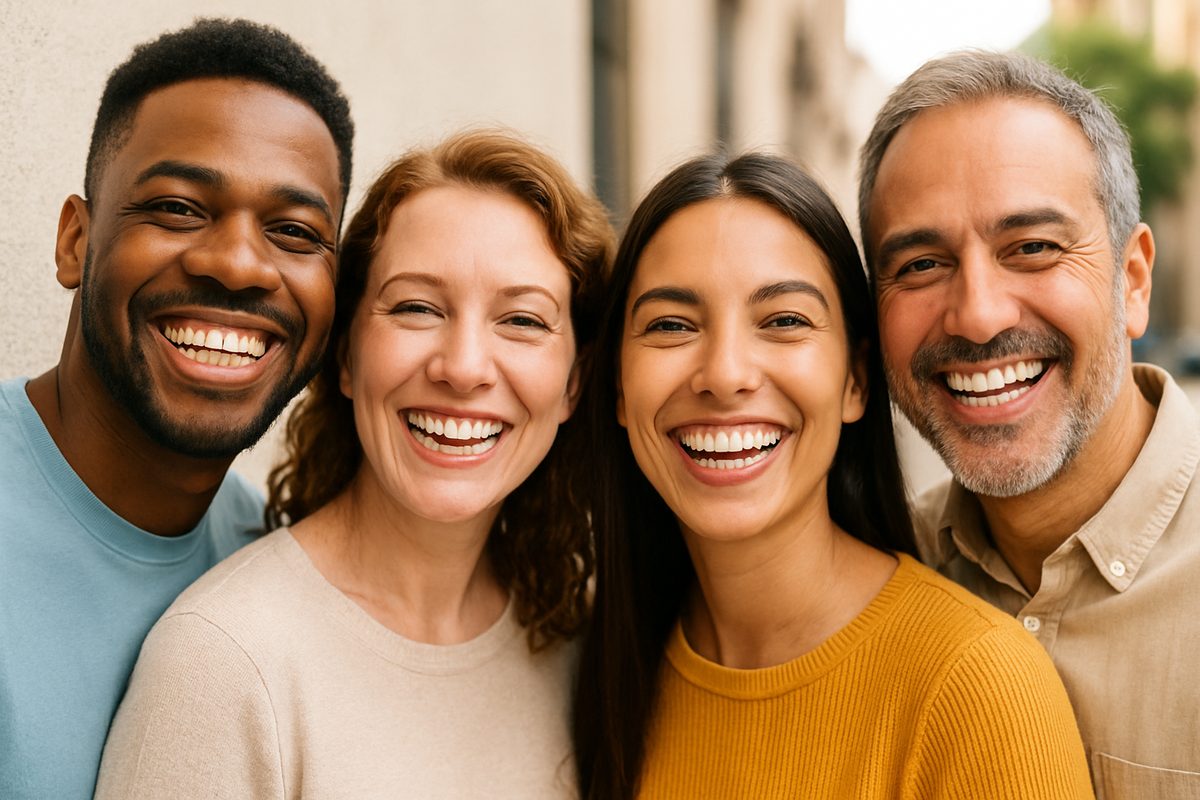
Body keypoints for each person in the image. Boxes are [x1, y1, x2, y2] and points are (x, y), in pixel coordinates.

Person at [95, 129, 614, 799]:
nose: (462, 367)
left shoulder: (577, 650)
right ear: (345, 355)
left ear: (575, 382)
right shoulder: (224, 661)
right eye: (417, 308)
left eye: (521, 320)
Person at [572, 151, 1093, 799]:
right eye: (671, 325)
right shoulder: (596, 674)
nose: (726, 373)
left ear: (855, 380)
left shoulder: (980, 687)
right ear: (618, 390)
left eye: (785, 321)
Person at [0, 18, 353, 800]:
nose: (235, 264)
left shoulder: (263, 556)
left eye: (294, 231)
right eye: (178, 209)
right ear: (74, 242)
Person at [858, 50, 1200, 794]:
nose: (978, 314)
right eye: (920, 264)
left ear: (1132, 280)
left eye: (1033, 248)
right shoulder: (873, 578)